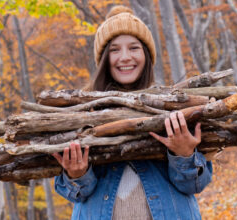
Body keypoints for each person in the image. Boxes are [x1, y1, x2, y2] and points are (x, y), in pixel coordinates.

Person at [52, 5, 212, 220]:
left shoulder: (173, 108)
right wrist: (77, 175)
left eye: (134, 47)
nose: (125, 57)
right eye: (115, 50)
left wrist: (183, 155)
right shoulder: (82, 114)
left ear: (146, 54)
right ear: (103, 60)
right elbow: (76, 194)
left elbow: (194, 184)